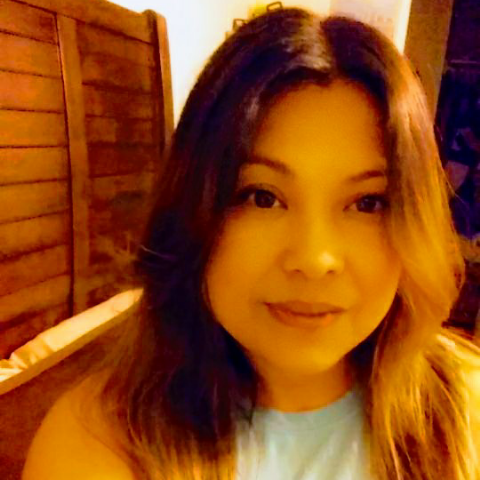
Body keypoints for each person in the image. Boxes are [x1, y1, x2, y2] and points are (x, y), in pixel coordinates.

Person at [22, 8, 480, 480]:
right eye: (262, 197)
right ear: (194, 211)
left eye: (367, 203)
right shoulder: (98, 444)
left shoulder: (464, 417)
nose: (314, 259)